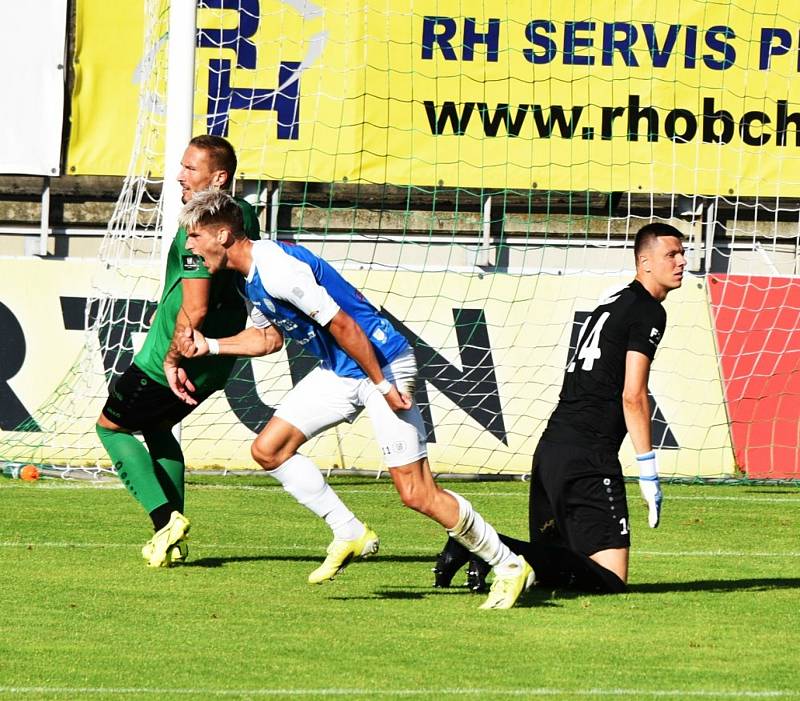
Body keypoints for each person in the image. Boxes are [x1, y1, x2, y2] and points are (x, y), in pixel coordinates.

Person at [165, 189, 534, 609]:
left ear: (225, 234)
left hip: (383, 363)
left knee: (415, 492)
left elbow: (343, 325)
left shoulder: (278, 268)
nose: (190, 246)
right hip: (343, 372)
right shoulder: (250, 277)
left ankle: (507, 564)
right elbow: (268, 340)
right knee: (269, 450)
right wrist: (210, 346)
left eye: (195, 236)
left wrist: (381, 384)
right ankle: (349, 531)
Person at [96, 135, 369, 572]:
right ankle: (171, 540)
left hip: (177, 347)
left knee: (111, 428)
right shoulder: (243, 218)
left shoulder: (201, 226)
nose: (180, 176)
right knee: (159, 425)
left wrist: (172, 355)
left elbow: (197, 304)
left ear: (218, 177)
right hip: (218, 356)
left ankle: (165, 520)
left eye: (190, 168)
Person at [433, 222, 686, 595]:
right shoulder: (648, 311)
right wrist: (648, 472)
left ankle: (487, 549)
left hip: (552, 451)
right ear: (644, 262)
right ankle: (484, 546)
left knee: (554, 572)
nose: (681, 262)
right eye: (672, 255)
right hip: (588, 456)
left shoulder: (613, 302)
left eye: (683, 254)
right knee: (610, 581)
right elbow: (633, 394)